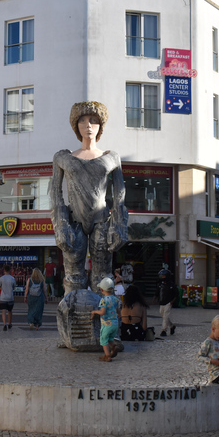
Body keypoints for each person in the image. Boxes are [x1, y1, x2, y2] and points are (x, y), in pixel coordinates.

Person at [50, 101, 129, 294]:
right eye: (83, 120)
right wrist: (60, 224)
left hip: (101, 221)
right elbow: (55, 192)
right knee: (73, 277)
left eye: (94, 121)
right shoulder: (63, 157)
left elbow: (119, 193)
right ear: (75, 126)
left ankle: (105, 319)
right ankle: (73, 319)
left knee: (103, 278)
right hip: (74, 221)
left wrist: (118, 225)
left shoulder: (111, 157)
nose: (88, 125)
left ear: (101, 126)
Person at [91, 278, 121, 362]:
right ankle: (114, 346)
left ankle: (107, 356)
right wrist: (119, 314)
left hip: (107, 324)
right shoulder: (115, 299)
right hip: (115, 323)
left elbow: (103, 312)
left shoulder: (103, 300)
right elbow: (118, 309)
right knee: (110, 338)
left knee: (103, 340)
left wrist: (95, 312)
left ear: (101, 289)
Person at [157, 267, 177, 336]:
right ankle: (171, 326)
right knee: (163, 315)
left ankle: (163, 330)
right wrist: (155, 298)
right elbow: (157, 292)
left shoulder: (171, 285)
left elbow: (176, 294)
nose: (162, 277)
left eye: (163, 276)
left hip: (168, 302)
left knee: (165, 316)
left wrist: (172, 301)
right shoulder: (160, 284)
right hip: (162, 302)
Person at [0, 264, 16, 331]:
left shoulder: (1, 278)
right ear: (10, 270)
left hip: (3, 297)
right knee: (10, 311)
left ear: (4, 270)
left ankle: (4, 324)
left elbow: (0, 287)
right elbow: (14, 287)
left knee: (3, 311)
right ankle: (9, 323)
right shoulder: (12, 278)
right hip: (10, 297)